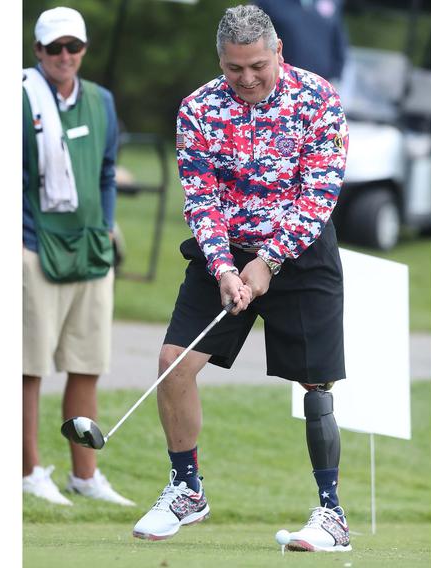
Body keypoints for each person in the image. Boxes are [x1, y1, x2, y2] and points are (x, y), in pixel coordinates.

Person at [132, 4, 351, 552]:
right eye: (235, 69)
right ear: (220, 62)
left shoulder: (318, 99)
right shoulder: (198, 110)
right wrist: (225, 267)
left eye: (258, 65)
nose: (248, 79)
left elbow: (319, 192)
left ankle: (331, 517)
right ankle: (187, 490)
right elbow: (201, 199)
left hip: (301, 250)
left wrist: (270, 261)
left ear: (279, 53)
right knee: (173, 365)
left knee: (315, 383)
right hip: (223, 253)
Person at [22, 6, 134, 508]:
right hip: (33, 244)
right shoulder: (20, 98)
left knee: (86, 363)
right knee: (28, 366)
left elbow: (107, 170)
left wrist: (106, 227)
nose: (65, 56)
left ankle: (84, 474)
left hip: (90, 247)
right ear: (38, 51)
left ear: (83, 49)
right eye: (54, 48)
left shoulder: (102, 101)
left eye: (74, 47)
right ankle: (27, 470)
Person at [255, 0, 348, 83]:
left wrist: (335, 76)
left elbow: (338, 41)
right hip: (282, 83)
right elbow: (254, 38)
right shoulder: (267, 2)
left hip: (321, 85)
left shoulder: (332, 3)